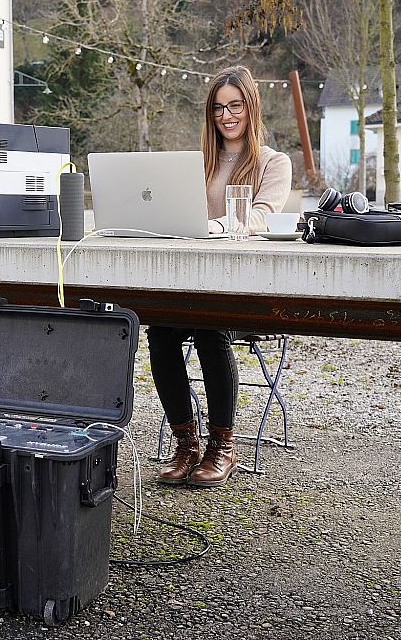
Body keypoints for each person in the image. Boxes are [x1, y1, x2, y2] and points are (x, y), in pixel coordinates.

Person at [149, 65, 292, 487]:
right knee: (160, 330)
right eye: (218, 108)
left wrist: (220, 224)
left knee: (209, 328)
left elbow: (262, 217)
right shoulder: (198, 165)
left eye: (235, 106)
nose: (226, 116)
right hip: (194, 283)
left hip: (244, 288)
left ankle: (222, 446)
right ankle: (186, 444)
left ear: (252, 107)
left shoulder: (273, 162)